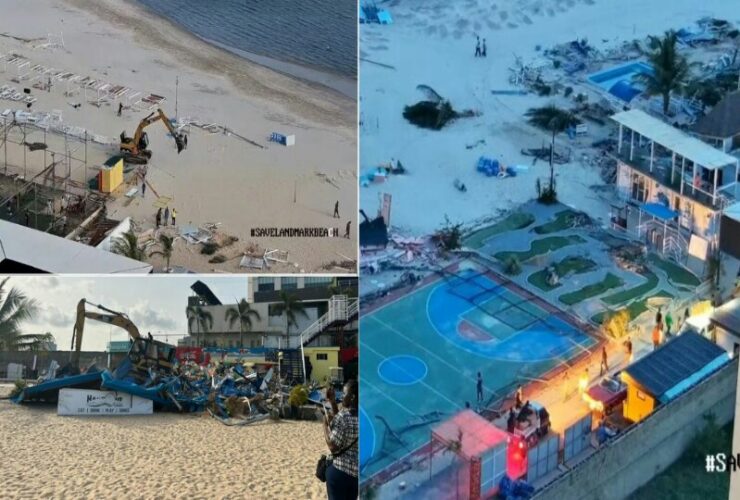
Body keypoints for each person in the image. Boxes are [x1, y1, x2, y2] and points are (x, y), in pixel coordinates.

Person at [324, 380, 358, 500]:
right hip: (355, 475)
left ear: (352, 397)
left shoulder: (343, 417)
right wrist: (333, 402)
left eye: (344, 394)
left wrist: (324, 427)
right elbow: (342, 425)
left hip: (339, 472)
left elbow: (333, 447)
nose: (342, 396)